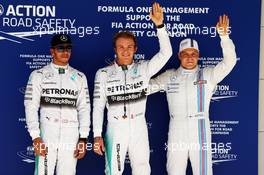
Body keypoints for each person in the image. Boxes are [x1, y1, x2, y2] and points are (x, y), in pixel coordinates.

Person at [149, 15, 237, 175]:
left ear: (198, 55)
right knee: (174, 171)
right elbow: (146, 87)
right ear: (179, 56)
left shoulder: (208, 74)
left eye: (193, 54)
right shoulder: (170, 76)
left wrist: (224, 37)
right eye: (185, 54)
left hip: (200, 130)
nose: (190, 58)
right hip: (177, 129)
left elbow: (230, 62)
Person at [92, 2, 172, 175]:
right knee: (113, 171)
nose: (125, 51)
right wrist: (97, 134)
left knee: (142, 170)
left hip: (139, 126)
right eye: (121, 47)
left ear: (135, 49)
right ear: (115, 49)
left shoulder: (143, 69)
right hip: (115, 127)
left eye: (129, 47)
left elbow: (166, 54)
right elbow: (98, 106)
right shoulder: (103, 73)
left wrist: (160, 26)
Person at [24, 34, 90, 175]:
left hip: (71, 134)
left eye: (68, 49)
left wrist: (83, 138)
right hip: (47, 133)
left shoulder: (80, 77)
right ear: (52, 51)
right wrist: (36, 137)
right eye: (60, 49)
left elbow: (84, 109)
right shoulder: (38, 75)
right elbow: (31, 107)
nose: (65, 52)